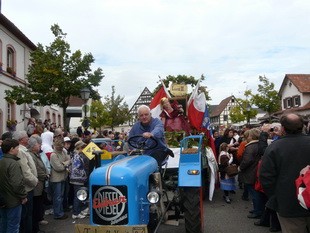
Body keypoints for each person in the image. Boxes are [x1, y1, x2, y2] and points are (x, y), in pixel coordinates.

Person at [260, 113, 310, 233]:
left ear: (283, 128)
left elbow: (266, 177)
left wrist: (276, 197)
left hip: (288, 204)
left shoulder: (274, 147)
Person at [0, 139, 28, 233]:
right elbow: (16, 183)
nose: (18, 150)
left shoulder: (1, 161)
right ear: (11, 149)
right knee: (13, 226)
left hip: (3, 199)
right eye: (17, 148)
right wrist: (23, 196)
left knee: (4, 223)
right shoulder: (13, 163)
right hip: (13, 200)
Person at [13, 130, 38, 233]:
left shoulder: (23, 150)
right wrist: (34, 181)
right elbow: (25, 171)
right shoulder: (20, 151)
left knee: (28, 213)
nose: (28, 138)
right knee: (26, 214)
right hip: (27, 188)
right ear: (21, 140)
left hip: (28, 186)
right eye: (26, 137)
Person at [238, 128, 262, 219]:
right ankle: (257, 209)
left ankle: (257, 211)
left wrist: (241, 167)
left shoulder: (250, 147)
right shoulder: (259, 145)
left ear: (250, 137)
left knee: (254, 193)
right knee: (255, 192)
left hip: (250, 172)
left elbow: (246, 160)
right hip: (255, 171)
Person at [28, 136, 49, 233]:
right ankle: (35, 228)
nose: (39, 146)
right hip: (37, 184)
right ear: (33, 147)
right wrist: (44, 175)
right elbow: (36, 168)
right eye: (37, 144)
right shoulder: (32, 155)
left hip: (40, 182)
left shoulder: (36, 154)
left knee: (39, 203)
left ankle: (37, 223)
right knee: (36, 206)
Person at [49, 139, 71, 220]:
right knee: (58, 197)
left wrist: (64, 163)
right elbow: (58, 168)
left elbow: (69, 160)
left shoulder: (63, 152)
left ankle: (60, 211)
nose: (62, 149)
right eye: (60, 147)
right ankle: (58, 213)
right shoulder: (53, 155)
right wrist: (65, 163)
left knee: (61, 196)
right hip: (56, 179)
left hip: (63, 177)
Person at [69, 141, 89, 219]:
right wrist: (84, 174)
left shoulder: (75, 155)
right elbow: (76, 168)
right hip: (78, 179)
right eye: (83, 148)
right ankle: (76, 213)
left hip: (76, 179)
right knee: (78, 196)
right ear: (80, 148)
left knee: (79, 195)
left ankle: (78, 211)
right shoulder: (77, 156)